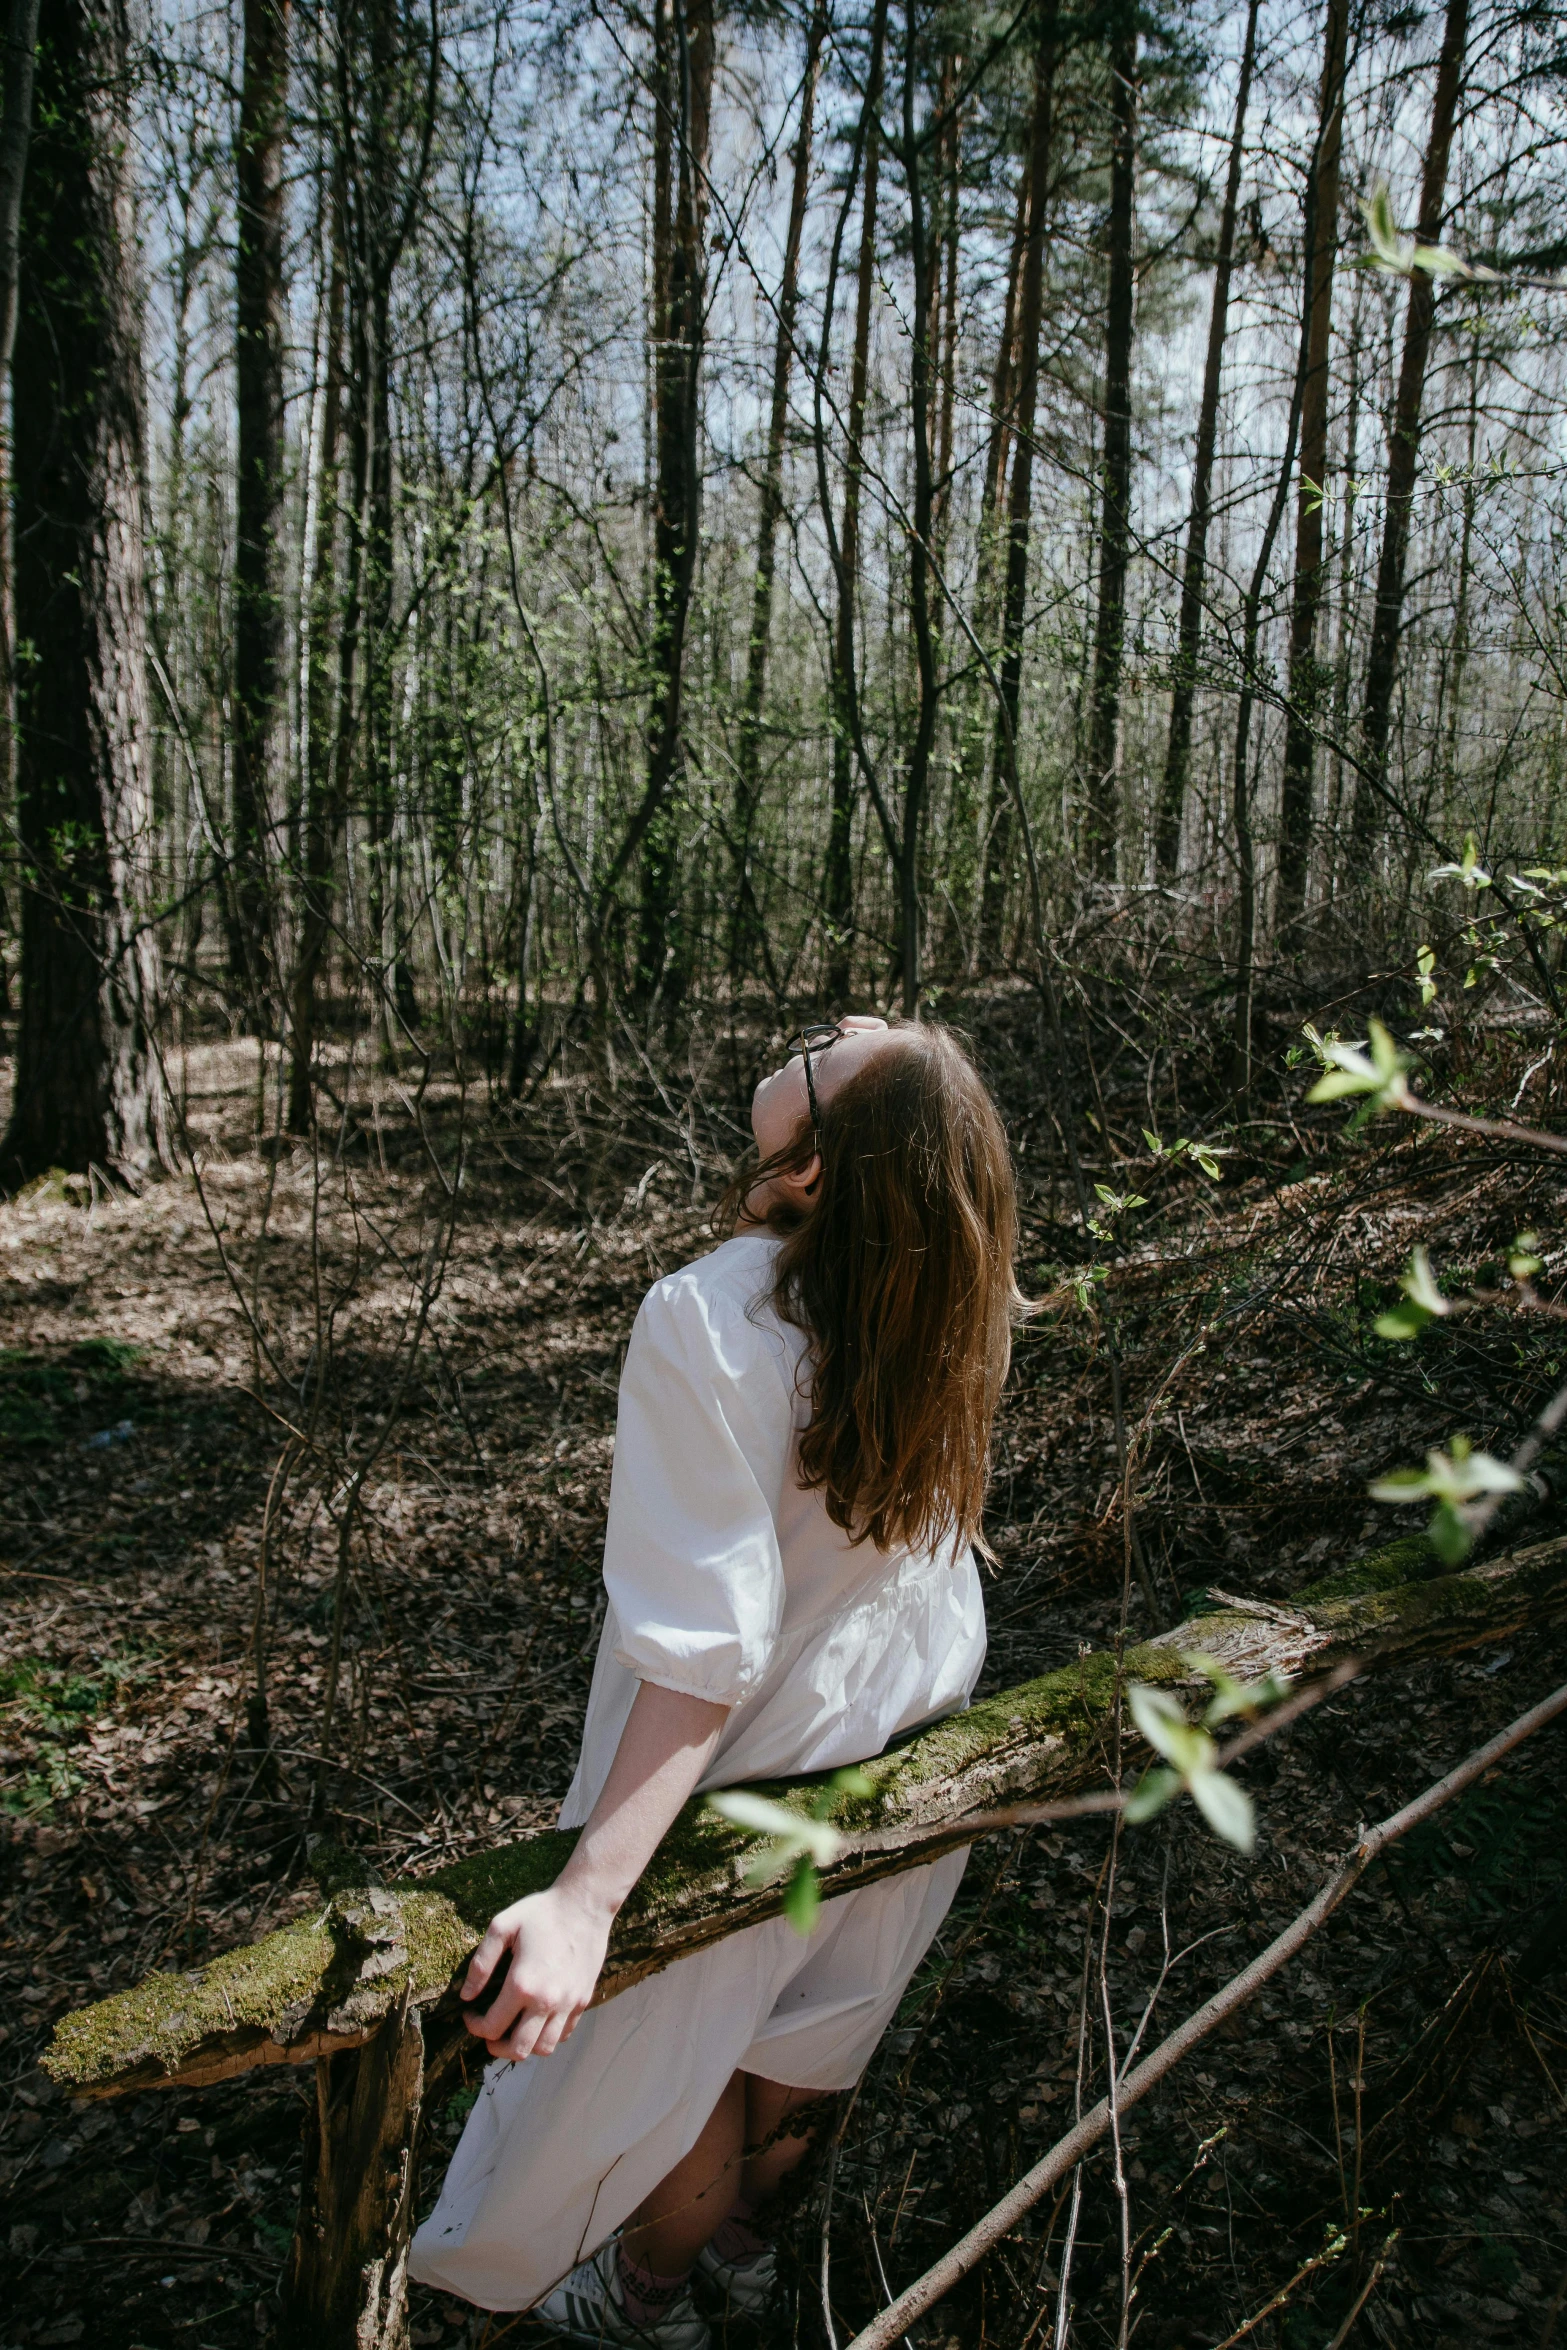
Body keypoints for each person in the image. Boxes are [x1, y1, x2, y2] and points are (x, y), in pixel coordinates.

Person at [409, 1016, 1025, 2345]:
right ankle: (740, 2253)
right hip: (908, 1717)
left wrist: (587, 1899)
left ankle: (644, 2301)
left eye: (833, 1052)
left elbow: (702, 1644)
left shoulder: (710, 1317)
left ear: (813, 1169)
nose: (836, 1025)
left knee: (694, 2044)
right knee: (807, 2031)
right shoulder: (950, 1296)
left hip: (751, 1750)